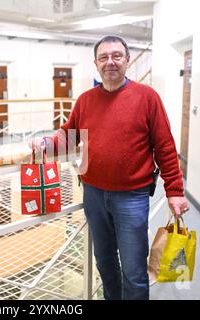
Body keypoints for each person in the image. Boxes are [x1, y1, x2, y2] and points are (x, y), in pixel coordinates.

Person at [29, 35, 189, 300]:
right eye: (104, 57)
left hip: (132, 197)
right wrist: (46, 143)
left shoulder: (147, 97)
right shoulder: (86, 100)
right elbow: (68, 137)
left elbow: (165, 147)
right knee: (104, 264)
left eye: (116, 56)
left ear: (127, 60)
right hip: (93, 194)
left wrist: (175, 190)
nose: (110, 62)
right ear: (96, 63)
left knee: (134, 270)